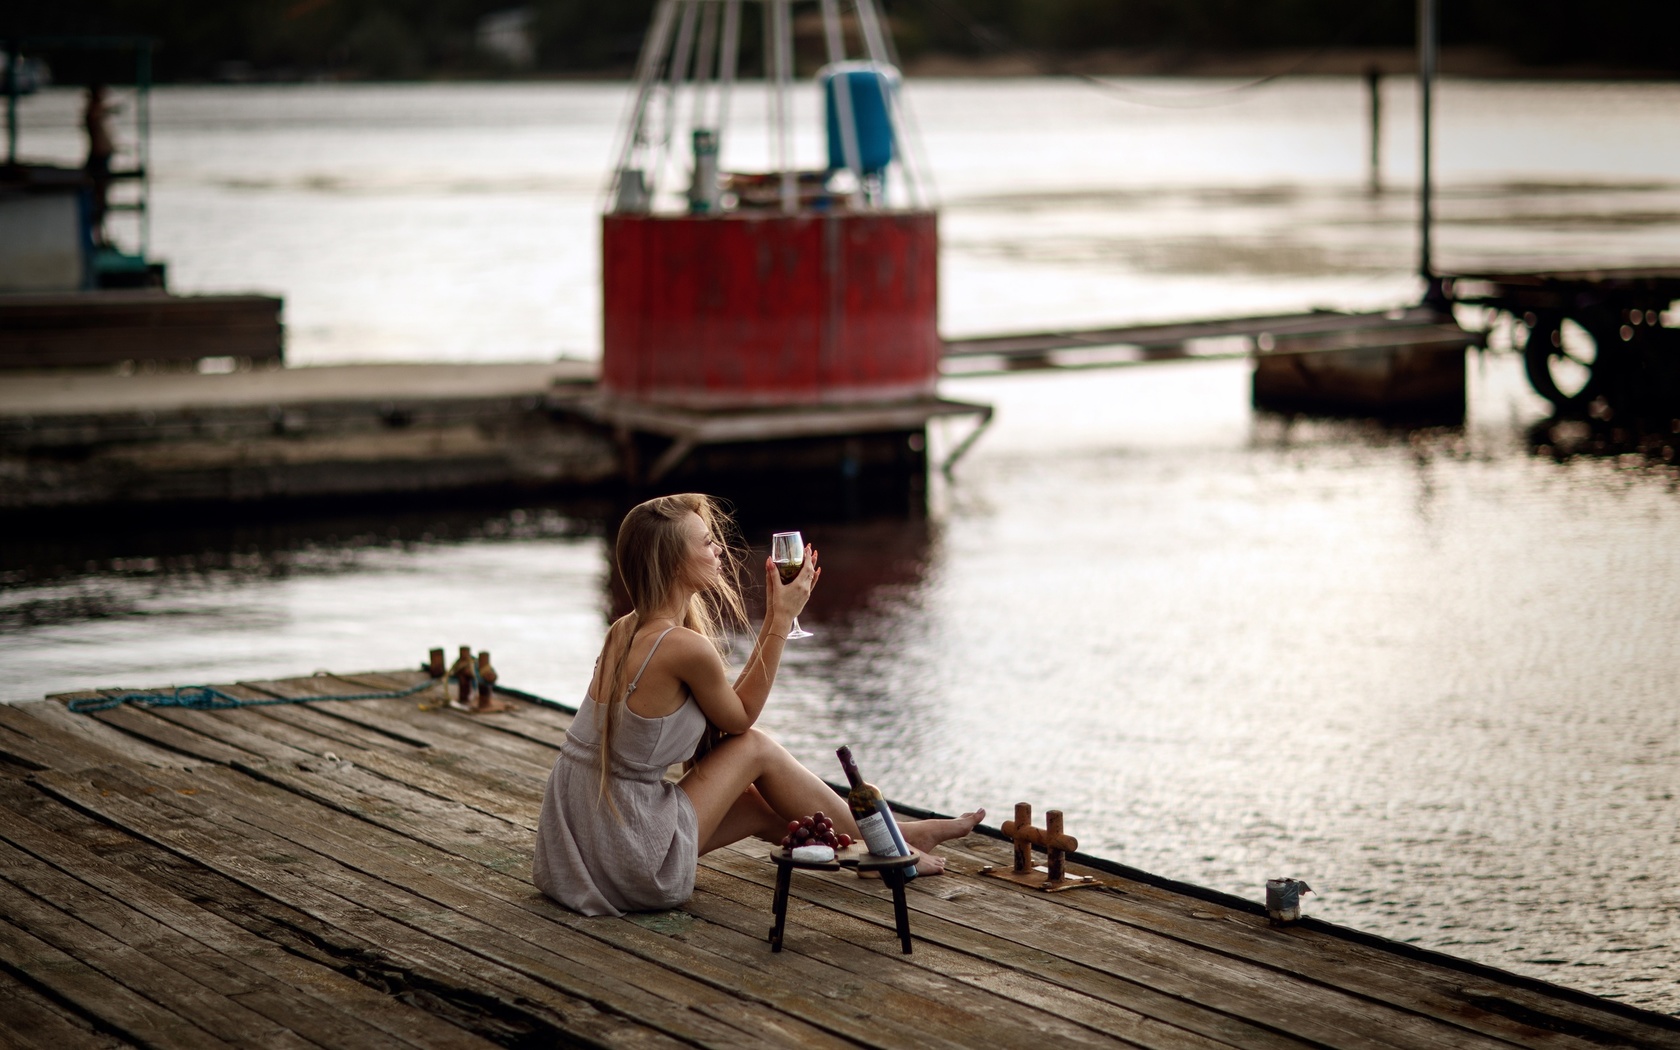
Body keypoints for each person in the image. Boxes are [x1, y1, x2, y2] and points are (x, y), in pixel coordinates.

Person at [534, 493, 983, 917]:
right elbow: (742, 722)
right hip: (626, 853)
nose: (720, 553)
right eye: (708, 543)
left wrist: (776, 619)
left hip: (579, 842)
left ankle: (891, 843)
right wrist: (780, 618)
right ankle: (890, 849)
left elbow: (726, 712)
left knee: (759, 807)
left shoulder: (625, 629)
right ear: (673, 563)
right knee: (757, 748)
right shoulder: (680, 646)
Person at [83, 83, 118, 246]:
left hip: (103, 160)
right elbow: (96, 115)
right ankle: (97, 237)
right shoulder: (93, 112)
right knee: (97, 200)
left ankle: (101, 236)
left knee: (102, 200)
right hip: (98, 162)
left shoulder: (98, 112)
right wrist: (108, 109)